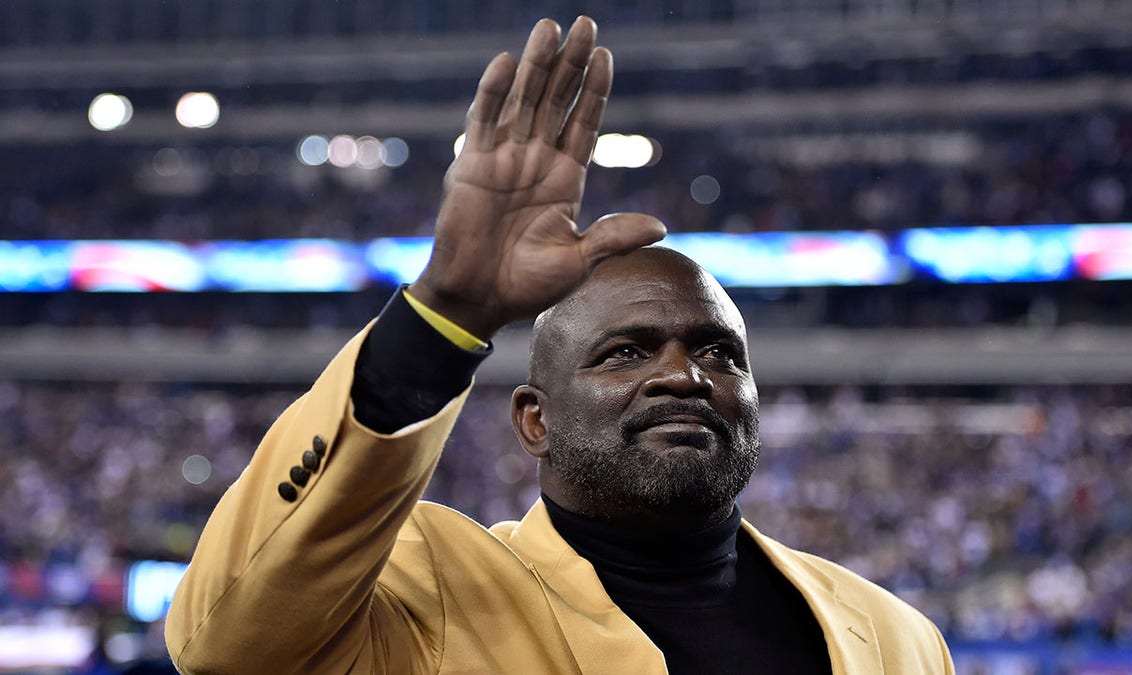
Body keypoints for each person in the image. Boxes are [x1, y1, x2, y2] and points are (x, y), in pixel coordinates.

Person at [165, 16, 955, 674]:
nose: (683, 375)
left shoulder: (896, 638)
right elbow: (227, 640)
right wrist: (446, 308)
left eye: (720, 352)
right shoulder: (424, 592)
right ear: (534, 419)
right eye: (625, 352)